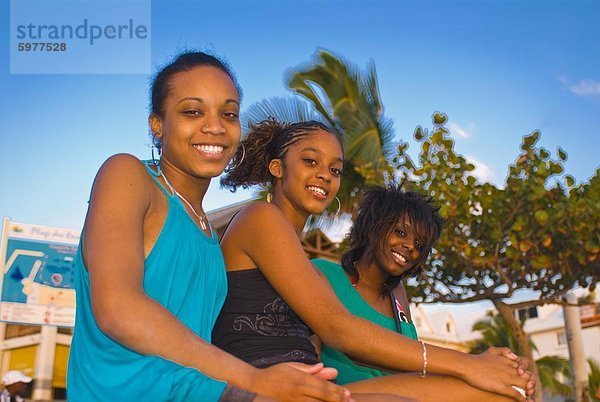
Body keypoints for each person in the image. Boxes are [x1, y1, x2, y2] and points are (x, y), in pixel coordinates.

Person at [66, 51, 352, 402]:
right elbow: (117, 309)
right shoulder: (128, 175)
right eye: (193, 111)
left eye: (228, 114)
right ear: (157, 124)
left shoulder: (208, 236)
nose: (215, 126)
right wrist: (257, 380)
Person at [213, 118, 536, 401]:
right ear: (277, 167)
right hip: (265, 385)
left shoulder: (298, 254)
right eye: (311, 161)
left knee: (504, 393)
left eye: (334, 169)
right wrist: (469, 364)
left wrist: (491, 368)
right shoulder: (260, 218)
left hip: (310, 382)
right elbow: (338, 329)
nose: (325, 175)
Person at [312, 186, 441, 384]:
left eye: (419, 244)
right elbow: (308, 358)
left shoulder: (398, 295)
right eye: (401, 232)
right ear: (374, 227)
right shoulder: (322, 274)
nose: (410, 247)